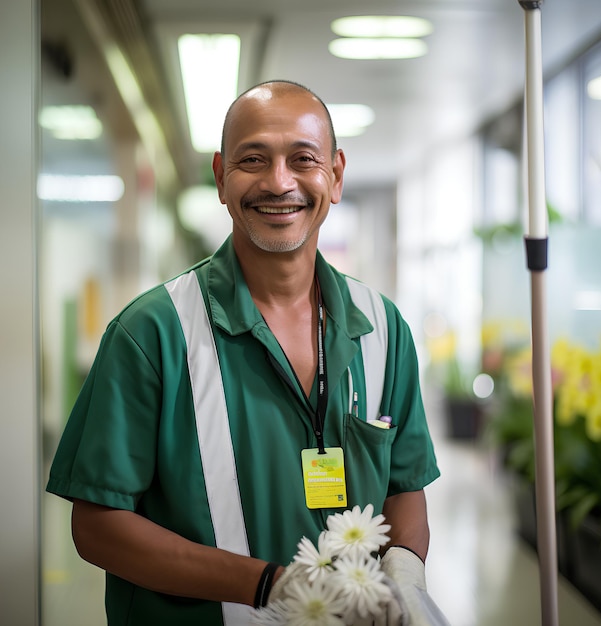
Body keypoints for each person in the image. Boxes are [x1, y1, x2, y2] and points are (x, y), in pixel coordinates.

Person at [46, 80, 442, 625]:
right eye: (253, 159)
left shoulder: (383, 328)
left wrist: (405, 569)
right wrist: (268, 585)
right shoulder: (152, 333)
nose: (279, 183)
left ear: (336, 174)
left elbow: (405, 485)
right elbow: (97, 527)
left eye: (303, 159)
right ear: (220, 177)